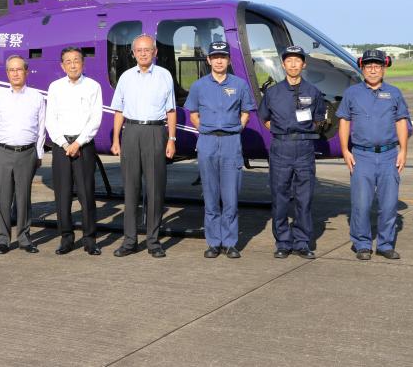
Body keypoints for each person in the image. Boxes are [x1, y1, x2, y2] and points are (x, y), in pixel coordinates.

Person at [184, 41, 256, 259]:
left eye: (222, 57)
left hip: (231, 143)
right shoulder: (199, 86)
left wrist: (238, 128)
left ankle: (230, 242)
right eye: (214, 57)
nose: (218, 60)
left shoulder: (240, 85)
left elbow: (246, 111)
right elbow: (193, 113)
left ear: (228, 60)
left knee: (231, 196)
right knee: (211, 194)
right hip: (207, 142)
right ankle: (214, 242)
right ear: (208, 60)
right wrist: (205, 130)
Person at [336, 49, 410, 261]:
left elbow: (401, 121)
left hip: (388, 155)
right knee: (361, 204)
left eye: (377, 66)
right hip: (362, 156)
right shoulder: (352, 93)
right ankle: (362, 243)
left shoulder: (394, 93)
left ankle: (385, 244)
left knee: (388, 204)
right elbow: (344, 121)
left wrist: (403, 150)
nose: (373, 70)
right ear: (362, 68)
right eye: (369, 66)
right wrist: (344, 150)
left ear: (384, 68)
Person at [110, 34, 177, 258]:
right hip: (131, 132)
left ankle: (153, 241)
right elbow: (119, 110)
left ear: (155, 52)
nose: (143, 53)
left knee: (155, 188)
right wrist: (116, 139)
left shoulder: (165, 76)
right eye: (139, 50)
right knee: (131, 189)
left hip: (156, 132)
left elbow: (171, 111)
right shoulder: (126, 77)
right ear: (133, 53)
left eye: (147, 49)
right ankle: (129, 241)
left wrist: (172, 139)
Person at [258, 46, 325, 259]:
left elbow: (318, 119)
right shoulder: (273, 92)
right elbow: (265, 118)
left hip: (305, 148)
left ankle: (303, 241)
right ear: (283, 64)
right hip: (281, 148)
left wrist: (300, 134)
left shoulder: (313, 92)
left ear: (303, 64)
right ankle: (283, 242)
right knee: (280, 197)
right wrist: (282, 133)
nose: (294, 64)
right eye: (289, 61)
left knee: (304, 198)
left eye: (298, 60)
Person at [46, 47, 103, 255]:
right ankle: (66, 238)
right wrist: (63, 143)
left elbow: (95, 119)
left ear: (83, 63)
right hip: (62, 147)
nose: (72, 64)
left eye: (76, 60)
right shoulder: (55, 87)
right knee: (62, 194)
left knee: (86, 193)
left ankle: (90, 239)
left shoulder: (93, 87)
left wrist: (78, 143)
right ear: (62, 65)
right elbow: (50, 119)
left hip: (84, 146)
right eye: (68, 61)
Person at [0, 55, 46, 254]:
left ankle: (24, 238)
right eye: (11, 70)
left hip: (27, 152)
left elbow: (41, 128)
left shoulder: (37, 97)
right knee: (3, 199)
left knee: (24, 198)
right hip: (5, 152)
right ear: (7, 74)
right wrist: (1, 150)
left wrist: (38, 154)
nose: (15, 73)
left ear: (26, 72)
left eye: (19, 69)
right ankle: (2, 240)